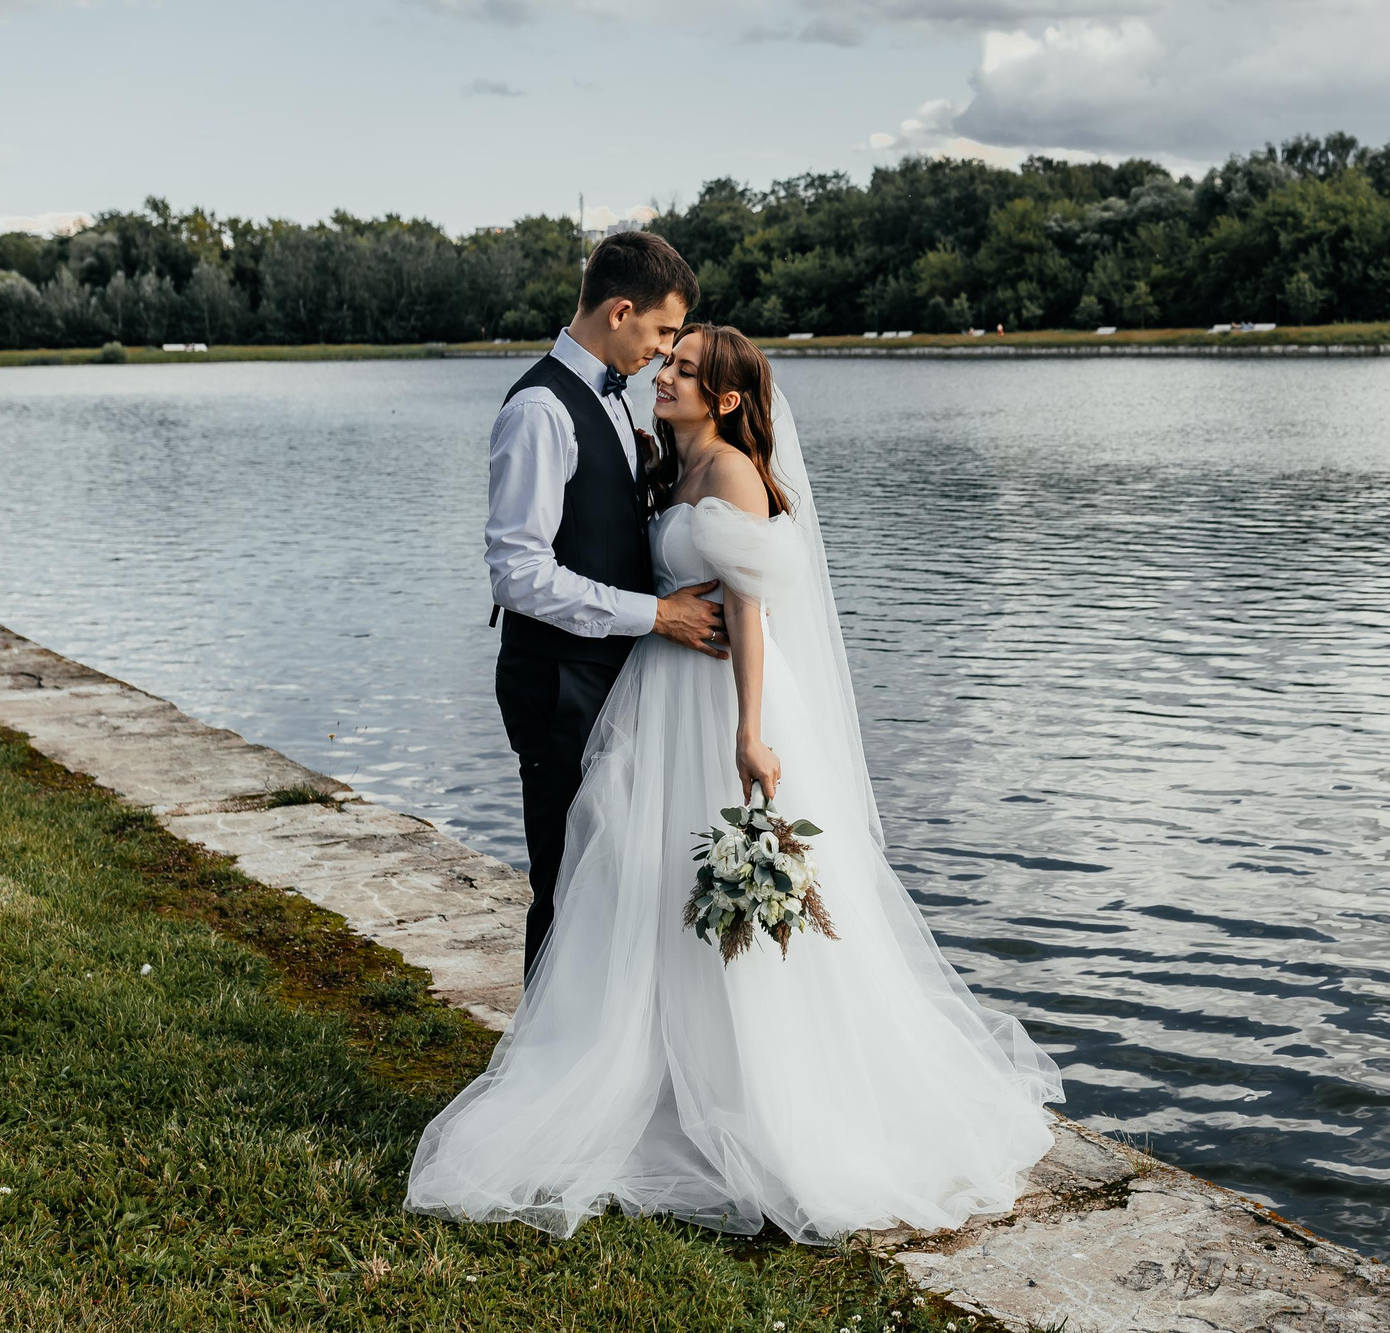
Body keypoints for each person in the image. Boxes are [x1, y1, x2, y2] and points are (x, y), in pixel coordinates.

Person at [411, 325, 1062, 1241]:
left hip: (717, 699)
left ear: (723, 398)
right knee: (642, 883)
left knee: (716, 899)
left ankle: (761, 1096)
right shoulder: (670, 463)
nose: (663, 375)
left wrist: (751, 731)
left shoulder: (730, 474)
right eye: (664, 360)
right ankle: (661, 1079)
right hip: (658, 690)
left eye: (683, 370)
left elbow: (749, 612)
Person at [486, 232, 726, 976]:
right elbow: (518, 573)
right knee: (565, 883)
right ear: (621, 311)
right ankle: (538, 1070)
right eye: (660, 331)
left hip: (611, 678)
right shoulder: (539, 410)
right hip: (557, 681)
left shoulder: (618, 405)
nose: (662, 351)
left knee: (617, 880)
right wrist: (658, 615)